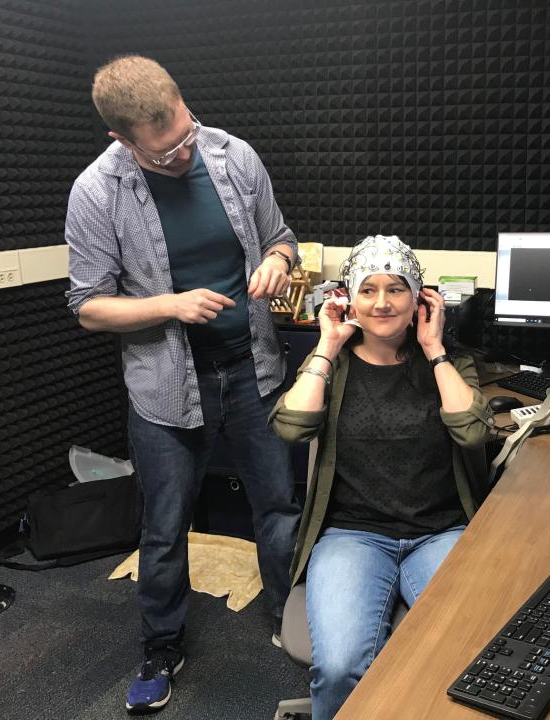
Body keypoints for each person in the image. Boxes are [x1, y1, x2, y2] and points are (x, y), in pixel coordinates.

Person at [64, 55, 300, 714]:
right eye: (167, 154)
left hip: (253, 372)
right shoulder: (96, 192)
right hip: (166, 389)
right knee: (164, 529)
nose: (185, 152)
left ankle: (286, 616)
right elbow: (88, 306)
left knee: (277, 508)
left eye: (187, 132)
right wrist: (170, 306)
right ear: (123, 140)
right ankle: (162, 646)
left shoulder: (233, 156)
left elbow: (281, 239)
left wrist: (279, 264)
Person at [271, 235, 495, 719]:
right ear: (348, 297)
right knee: (340, 666)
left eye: (396, 289)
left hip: (441, 532)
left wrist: (434, 349)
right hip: (353, 535)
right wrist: (327, 347)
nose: (382, 302)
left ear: (419, 298)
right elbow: (290, 427)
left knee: (473, 656)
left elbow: (474, 432)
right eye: (367, 290)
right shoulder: (334, 364)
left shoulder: (450, 362)